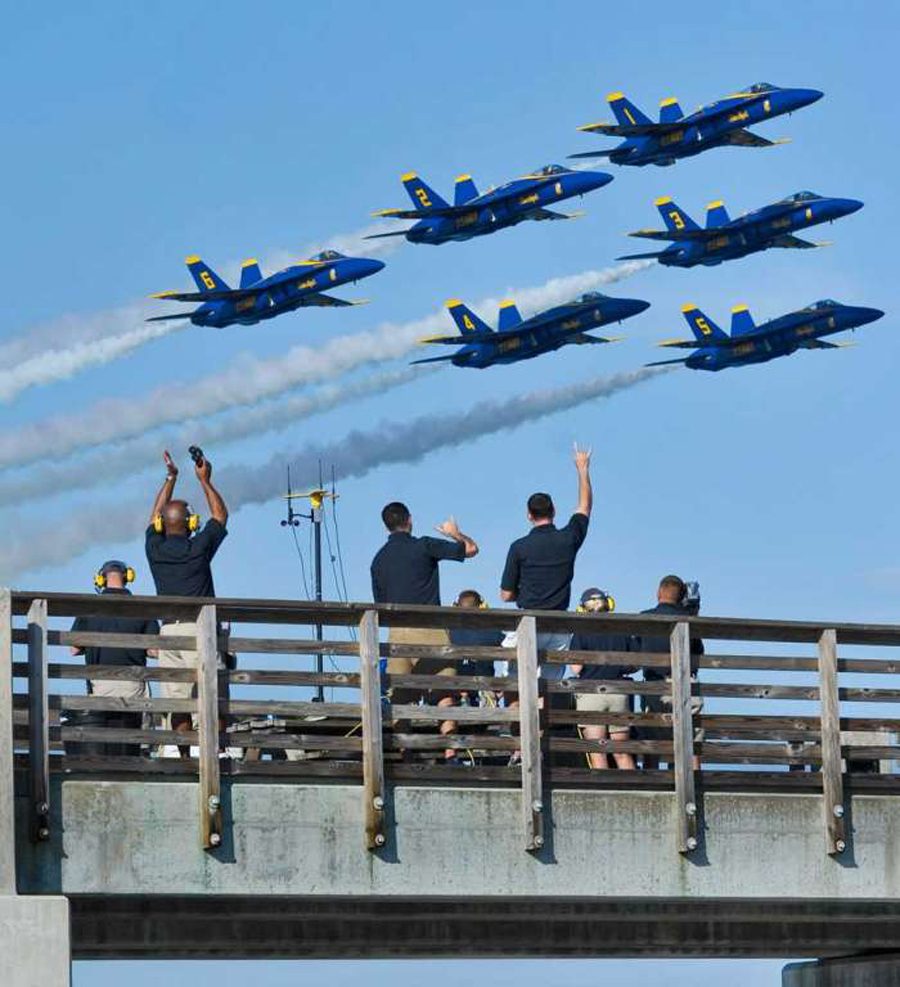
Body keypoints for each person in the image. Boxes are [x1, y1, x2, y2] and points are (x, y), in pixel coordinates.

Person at [370, 502, 478, 757]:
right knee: (443, 692)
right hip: (431, 629)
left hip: (397, 634)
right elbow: (472, 550)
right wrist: (455, 533)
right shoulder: (424, 545)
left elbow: (379, 606)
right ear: (409, 520)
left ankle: (404, 754)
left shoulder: (378, 560)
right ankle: (451, 754)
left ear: (386, 525)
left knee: (400, 698)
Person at [145, 449, 228, 751]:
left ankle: (183, 757)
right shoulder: (199, 548)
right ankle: (214, 752)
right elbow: (220, 516)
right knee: (212, 695)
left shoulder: (154, 548)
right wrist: (205, 480)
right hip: (199, 630)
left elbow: (155, 518)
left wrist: (171, 478)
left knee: (177, 700)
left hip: (169, 632)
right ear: (191, 523)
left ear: (161, 525)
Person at [499, 443, 593, 678]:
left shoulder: (519, 547)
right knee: (547, 693)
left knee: (516, 686)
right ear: (554, 511)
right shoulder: (568, 539)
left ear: (529, 515)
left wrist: (524, 593)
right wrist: (582, 469)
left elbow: (506, 595)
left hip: (528, 622)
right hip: (558, 625)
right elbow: (585, 506)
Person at [69, 560, 159, 756]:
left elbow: (74, 649)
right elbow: (154, 651)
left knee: (104, 740)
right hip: (133, 683)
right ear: (128, 577)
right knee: (139, 740)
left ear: (101, 579)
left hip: (99, 683)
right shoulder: (144, 608)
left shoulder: (89, 608)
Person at [637, 575, 704, 771]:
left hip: (655, 685)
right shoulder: (689, 620)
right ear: (681, 595)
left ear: (658, 593)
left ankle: (653, 781)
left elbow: (634, 651)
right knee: (692, 740)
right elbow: (698, 653)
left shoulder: (643, 618)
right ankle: (695, 782)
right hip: (687, 685)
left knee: (652, 739)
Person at [569, 587, 636, 770]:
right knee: (622, 752)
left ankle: (603, 792)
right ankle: (635, 790)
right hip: (619, 694)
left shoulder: (581, 632)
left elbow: (576, 669)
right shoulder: (622, 630)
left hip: (591, 694)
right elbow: (633, 665)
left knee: (598, 752)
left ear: (583, 608)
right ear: (609, 604)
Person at [449, 589, 504, 709]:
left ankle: (462, 696)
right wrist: (505, 686)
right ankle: (488, 696)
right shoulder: (492, 631)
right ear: (482, 607)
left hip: (456, 687)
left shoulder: (448, 631)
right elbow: (511, 647)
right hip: (484, 685)